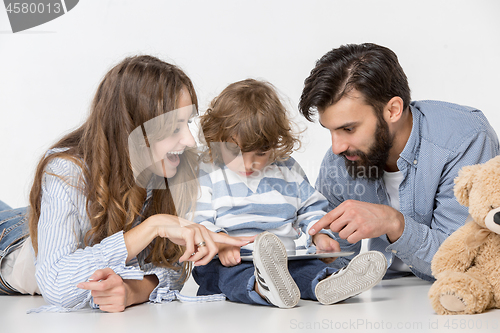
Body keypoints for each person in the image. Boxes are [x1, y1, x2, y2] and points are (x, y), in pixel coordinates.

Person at [0, 55, 248, 312]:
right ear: (133, 128)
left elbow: (172, 265)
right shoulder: (66, 172)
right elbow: (56, 285)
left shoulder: (166, 168)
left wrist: (133, 290)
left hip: (41, 220)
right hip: (13, 243)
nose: (189, 140)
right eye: (175, 128)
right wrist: (153, 226)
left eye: (188, 124)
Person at [298, 43, 499, 281]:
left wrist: (393, 223)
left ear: (393, 110)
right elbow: (339, 257)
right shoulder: (339, 159)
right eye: (330, 130)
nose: (336, 147)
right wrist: (323, 248)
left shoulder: (463, 140)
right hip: (379, 301)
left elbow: (463, 261)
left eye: (348, 128)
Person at [191, 79, 387, 308]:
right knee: (228, 275)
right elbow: (197, 222)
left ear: (275, 145)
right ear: (217, 139)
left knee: (306, 269)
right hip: (230, 259)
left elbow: (311, 209)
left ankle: (328, 283)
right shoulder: (207, 172)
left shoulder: (286, 168)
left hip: (286, 260)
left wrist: (319, 236)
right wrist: (222, 244)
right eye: (235, 151)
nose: (248, 163)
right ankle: (262, 288)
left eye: (261, 153)